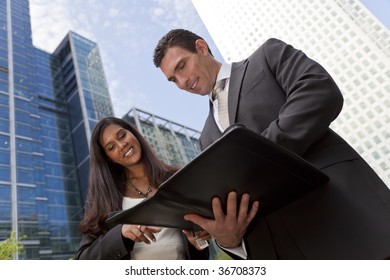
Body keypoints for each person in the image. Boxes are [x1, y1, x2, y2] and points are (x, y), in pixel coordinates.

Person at [153, 29, 390, 259]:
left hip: (344, 219)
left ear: (201, 48)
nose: (182, 82)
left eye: (182, 66)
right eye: (173, 80)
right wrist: (222, 233)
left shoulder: (266, 57)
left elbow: (318, 90)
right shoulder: (206, 138)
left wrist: (259, 156)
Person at [75, 117, 210, 260]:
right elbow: (83, 259)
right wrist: (120, 234)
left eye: (122, 135)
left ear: (133, 134)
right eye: (111, 147)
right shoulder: (103, 197)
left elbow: (200, 247)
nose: (121, 145)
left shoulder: (176, 179)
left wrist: (199, 244)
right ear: (109, 158)